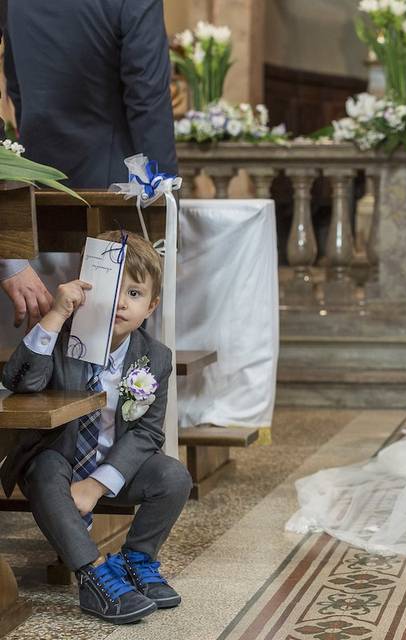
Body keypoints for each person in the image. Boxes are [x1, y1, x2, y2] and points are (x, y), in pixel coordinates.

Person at [0, 232, 191, 625]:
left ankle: (136, 561)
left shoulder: (155, 357)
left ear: (151, 306)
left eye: (135, 294)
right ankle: (93, 574)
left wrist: (97, 485)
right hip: (55, 457)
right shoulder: (61, 334)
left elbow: (148, 434)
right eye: (113, 288)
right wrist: (54, 315)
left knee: (173, 476)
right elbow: (20, 381)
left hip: (110, 462)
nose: (121, 302)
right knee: (48, 471)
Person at [0, 0, 177, 332]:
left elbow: (16, 85)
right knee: (111, 334)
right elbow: (148, 97)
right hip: (111, 187)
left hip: (37, 185)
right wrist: (165, 199)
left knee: (42, 331)